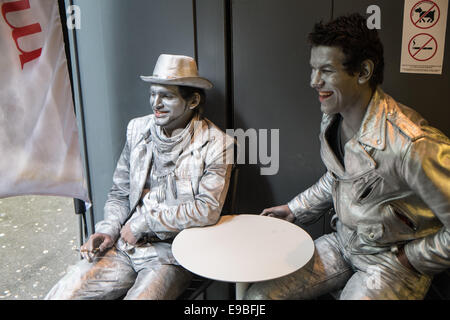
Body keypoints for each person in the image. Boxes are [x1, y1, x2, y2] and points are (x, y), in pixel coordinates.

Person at [245, 13, 450, 300]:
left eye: (326, 71)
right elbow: (340, 177)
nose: (314, 81)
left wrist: (413, 258)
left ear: (363, 72)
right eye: (313, 69)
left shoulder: (412, 143)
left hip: (389, 263)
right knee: (257, 297)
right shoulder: (332, 118)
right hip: (343, 242)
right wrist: (294, 209)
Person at [45, 54, 234, 299]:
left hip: (172, 254)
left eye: (166, 96)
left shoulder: (217, 144)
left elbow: (206, 209)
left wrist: (144, 223)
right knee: (63, 294)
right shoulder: (137, 129)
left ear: (193, 100)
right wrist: (109, 230)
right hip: (124, 245)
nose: (155, 103)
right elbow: (120, 192)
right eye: (152, 94)